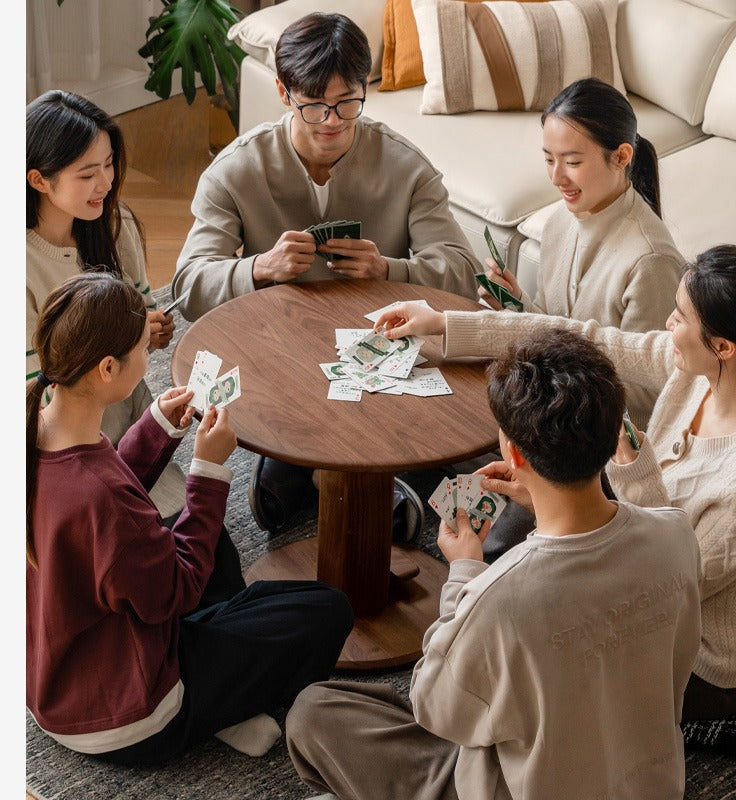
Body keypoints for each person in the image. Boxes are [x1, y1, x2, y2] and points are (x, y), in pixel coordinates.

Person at [285, 328, 702, 799]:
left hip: (517, 784)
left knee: (314, 712)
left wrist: (464, 572)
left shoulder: (497, 595)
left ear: (513, 452)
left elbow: (436, 710)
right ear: (612, 438)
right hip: (648, 781)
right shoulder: (675, 534)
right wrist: (542, 499)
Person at [374, 243, 736, 723]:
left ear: (723, 346)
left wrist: (625, 477)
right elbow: (585, 340)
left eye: (679, 318)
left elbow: (671, 580)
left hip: (693, 650)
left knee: (536, 632)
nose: (667, 325)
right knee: (537, 488)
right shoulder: (701, 368)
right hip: (639, 537)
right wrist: (446, 323)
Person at [26, 273, 354, 766]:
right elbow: (174, 592)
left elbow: (100, 492)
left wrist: (155, 428)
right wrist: (209, 471)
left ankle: (222, 679)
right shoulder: (101, 497)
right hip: (132, 716)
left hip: (58, 682)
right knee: (328, 609)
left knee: (213, 542)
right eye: (143, 347)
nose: (152, 353)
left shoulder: (34, 430)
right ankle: (212, 710)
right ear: (108, 368)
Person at [172, 13, 477, 537]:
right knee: (280, 409)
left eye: (348, 101)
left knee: (431, 414)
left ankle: (314, 471)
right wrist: (257, 268)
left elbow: (464, 278)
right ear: (283, 92)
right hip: (280, 349)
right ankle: (329, 471)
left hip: (382, 349)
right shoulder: (235, 170)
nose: (332, 120)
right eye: (314, 103)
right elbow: (187, 287)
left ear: (365, 88)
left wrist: (389, 269)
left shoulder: (407, 168)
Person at [478, 77, 685, 431]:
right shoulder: (559, 221)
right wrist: (519, 306)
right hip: (552, 412)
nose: (556, 178)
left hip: (602, 443)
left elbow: (649, 389)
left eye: (572, 162)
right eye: (549, 160)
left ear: (621, 157)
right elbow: (558, 325)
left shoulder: (651, 262)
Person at [26, 89, 181, 520]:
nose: (106, 183)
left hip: (127, 413)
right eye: (87, 172)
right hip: (58, 444)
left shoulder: (116, 225)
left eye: (109, 164)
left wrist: (150, 331)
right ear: (39, 179)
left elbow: (142, 312)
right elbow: (34, 391)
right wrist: (125, 341)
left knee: (204, 555)